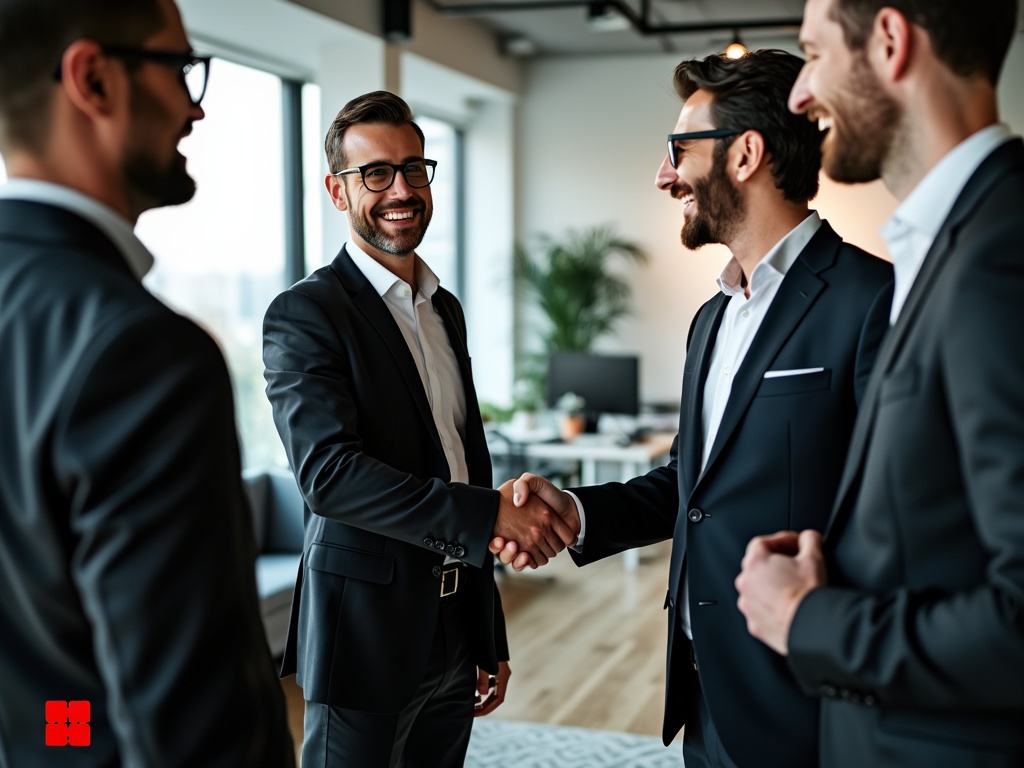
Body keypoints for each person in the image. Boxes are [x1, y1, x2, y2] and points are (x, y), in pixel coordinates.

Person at [492, 50, 892, 767]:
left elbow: (893, 521)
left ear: (745, 154)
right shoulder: (711, 320)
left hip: (808, 703)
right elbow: (691, 485)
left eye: (678, 149)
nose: (663, 174)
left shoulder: (874, 301)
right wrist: (573, 513)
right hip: (703, 696)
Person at [0, 0, 295, 766]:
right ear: (93, 79)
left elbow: (54, 670)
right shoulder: (139, 351)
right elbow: (186, 722)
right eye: (179, 69)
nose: (195, 107)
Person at [734, 1, 1024, 766]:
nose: (800, 94)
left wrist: (807, 620)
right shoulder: (950, 241)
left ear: (890, 42)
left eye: (814, 54)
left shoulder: (1001, 257)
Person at [262, 90, 576, 768]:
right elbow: (329, 478)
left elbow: (462, 459)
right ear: (337, 192)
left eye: (413, 168)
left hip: (457, 627)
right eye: (375, 173)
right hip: (365, 635)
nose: (400, 189)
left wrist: (486, 627)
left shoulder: (444, 310)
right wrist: (490, 513)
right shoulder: (306, 314)